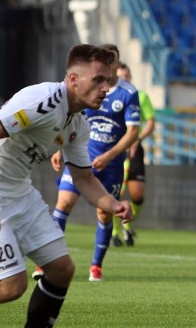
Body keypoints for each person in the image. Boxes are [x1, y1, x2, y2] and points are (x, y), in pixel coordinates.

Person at [0, 44, 132, 328]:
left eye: (108, 80)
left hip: (20, 193)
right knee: (9, 287)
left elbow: (83, 179)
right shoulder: (43, 99)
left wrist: (113, 204)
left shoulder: (78, 125)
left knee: (62, 269)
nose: (106, 88)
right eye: (98, 80)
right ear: (73, 79)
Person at [32, 44, 140, 282]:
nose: (109, 65)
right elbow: (73, 121)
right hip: (81, 157)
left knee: (104, 213)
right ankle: (46, 263)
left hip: (109, 165)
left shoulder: (128, 93)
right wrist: (62, 148)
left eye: (112, 61)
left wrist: (110, 156)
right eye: (104, 61)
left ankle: (96, 266)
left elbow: (133, 132)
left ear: (116, 65)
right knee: (64, 203)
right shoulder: (86, 92)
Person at [111, 63, 156, 247]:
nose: (125, 79)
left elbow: (150, 123)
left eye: (127, 76)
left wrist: (137, 138)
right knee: (115, 193)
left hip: (135, 150)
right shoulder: (109, 96)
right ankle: (114, 232)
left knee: (137, 194)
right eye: (121, 76)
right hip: (115, 149)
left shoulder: (140, 96)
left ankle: (125, 224)